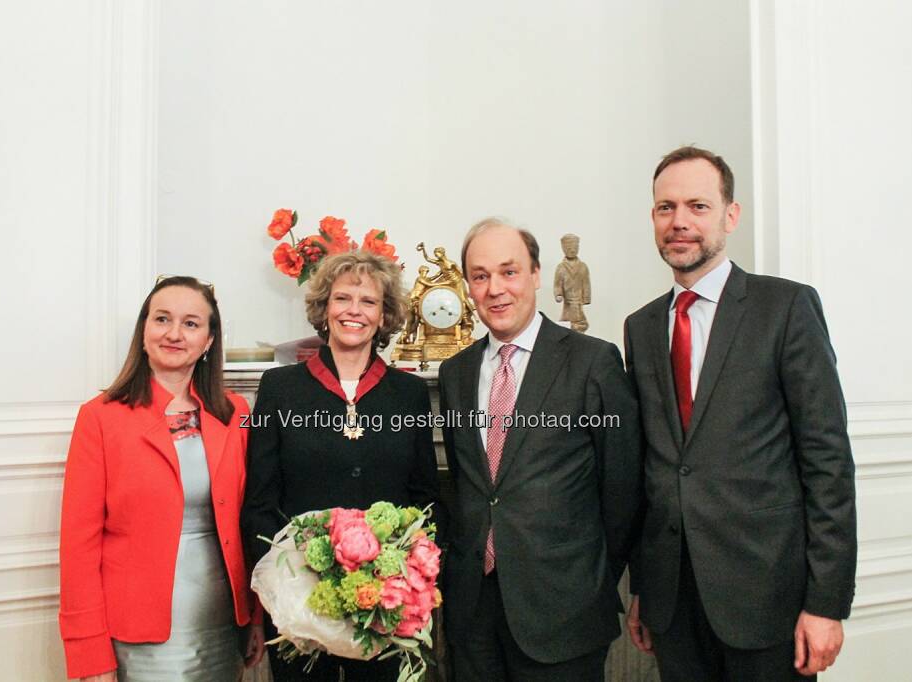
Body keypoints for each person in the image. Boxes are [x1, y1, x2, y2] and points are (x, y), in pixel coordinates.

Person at [624, 146, 857, 681]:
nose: (679, 221)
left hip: (768, 602)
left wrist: (826, 603)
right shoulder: (639, 328)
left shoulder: (786, 308)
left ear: (731, 215)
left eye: (697, 206)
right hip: (674, 606)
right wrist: (644, 588)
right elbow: (653, 468)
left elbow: (827, 461)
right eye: (665, 208)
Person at [437, 217, 642, 682]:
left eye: (509, 272)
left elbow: (623, 489)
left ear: (535, 274)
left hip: (564, 611)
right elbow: (472, 489)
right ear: (468, 285)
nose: (495, 289)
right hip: (473, 615)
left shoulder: (593, 361)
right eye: (480, 275)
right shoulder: (456, 373)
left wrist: (589, 581)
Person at [241, 250, 440, 682]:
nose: (354, 311)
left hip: (386, 611)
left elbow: (425, 498)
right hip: (300, 611)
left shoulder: (408, 394)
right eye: (343, 298)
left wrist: (405, 583)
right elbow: (259, 502)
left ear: (385, 315)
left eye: (368, 301)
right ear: (324, 308)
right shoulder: (280, 389)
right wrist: (284, 592)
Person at [59, 275, 264, 681]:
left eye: (190, 323)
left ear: (208, 341)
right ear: (144, 331)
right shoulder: (99, 417)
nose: (174, 333)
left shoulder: (234, 412)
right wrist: (89, 651)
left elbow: (248, 522)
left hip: (224, 624)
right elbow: (78, 545)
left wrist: (256, 617)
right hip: (136, 632)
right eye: (162, 319)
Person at [553, 233, 591, 332]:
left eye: (574, 247)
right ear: (564, 248)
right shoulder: (561, 267)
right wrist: (558, 294)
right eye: (569, 248)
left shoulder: (583, 266)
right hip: (568, 303)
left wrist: (586, 298)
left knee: (581, 322)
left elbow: (586, 283)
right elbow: (557, 284)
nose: (572, 250)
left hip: (578, 301)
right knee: (566, 322)